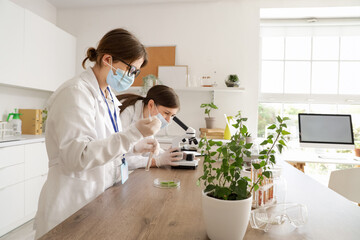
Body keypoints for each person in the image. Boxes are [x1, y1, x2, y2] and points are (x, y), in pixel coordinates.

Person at [34, 28, 161, 239]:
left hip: (98, 200)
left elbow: (102, 143)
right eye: (131, 70)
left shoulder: (108, 95)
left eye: (135, 72)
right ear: (107, 59)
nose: (132, 77)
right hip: (71, 205)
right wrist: (133, 133)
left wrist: (135, 145)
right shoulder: (75, 93)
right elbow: (78, 156)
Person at [117, 85, 183, 169]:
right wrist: (157, 161)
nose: (168, 120)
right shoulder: (127, 114)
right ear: (151, 105)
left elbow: (146, 152)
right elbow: (119, 158)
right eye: (166, 113)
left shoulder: (149, 117)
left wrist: (169, 155)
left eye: (172, 115)